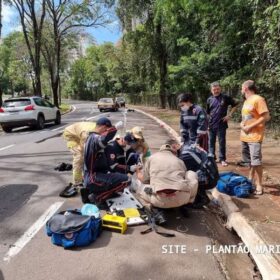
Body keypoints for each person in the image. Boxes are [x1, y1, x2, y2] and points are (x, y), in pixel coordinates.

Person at [135, 139, 198, 223]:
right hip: (182, 198)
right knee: (191, 173)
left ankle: (156, 212)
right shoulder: (180, 161)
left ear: (161, 150)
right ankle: (187, 204)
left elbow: (145, 180)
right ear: (173, 151)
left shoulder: (151, 158)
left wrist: (138, 171)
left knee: (140, 189)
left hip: (159, 199)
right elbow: (183, 179)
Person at [83, 117, 130, 204]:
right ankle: (97, 198)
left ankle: (99, 192)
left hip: (93, 175)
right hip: (93, 177)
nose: (107, 132)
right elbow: (103, 139)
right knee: (126, 180)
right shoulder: (94, 138)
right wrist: (115, 128)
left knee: (116, 179)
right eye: (107, 129)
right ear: (103, 127)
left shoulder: (91, 138)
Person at [240, 80, 270, 195]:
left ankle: (259, 184)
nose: (241, 89)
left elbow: (266, 116)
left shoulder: (258, 99)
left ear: (246, 88)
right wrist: (241, 125)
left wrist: (250, 127)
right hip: (245, 136)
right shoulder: (247, 100)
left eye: (242, 87)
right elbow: (246, 117)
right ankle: (250, 178)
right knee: (250, 161)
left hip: (255, 136)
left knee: (256, 161)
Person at [207, 82, 239, 166]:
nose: (216, 91)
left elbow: (235, 104)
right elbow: (208, 113)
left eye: (217, 89)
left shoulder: (225, 97)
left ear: (220, 89)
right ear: (211, 90)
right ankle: (212, 158)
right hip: (211, 124)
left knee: (222, 142)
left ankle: (222, 159)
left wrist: (229, 115)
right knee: (211, 142)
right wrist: (207, 124)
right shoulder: (209, 99)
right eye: (214, 89)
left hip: (222, 124)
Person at [63, 121, 97, 186]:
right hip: (70, 134)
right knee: (79, 156)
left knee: (87, 155)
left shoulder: (100, 130)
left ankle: (84, 175)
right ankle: (77, 181)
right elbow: (84, 147)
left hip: (79, 133)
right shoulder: (87, 134)